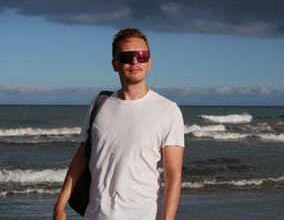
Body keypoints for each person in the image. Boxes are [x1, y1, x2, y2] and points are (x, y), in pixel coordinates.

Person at [53, 28, 185, 220]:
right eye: (126, 57)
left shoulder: (168, 110)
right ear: (115, 64)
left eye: (141, 56)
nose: (134, 61)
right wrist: (59, 206)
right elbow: (81, 157)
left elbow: (173, 176)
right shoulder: (99, 104)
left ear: (149, 63)